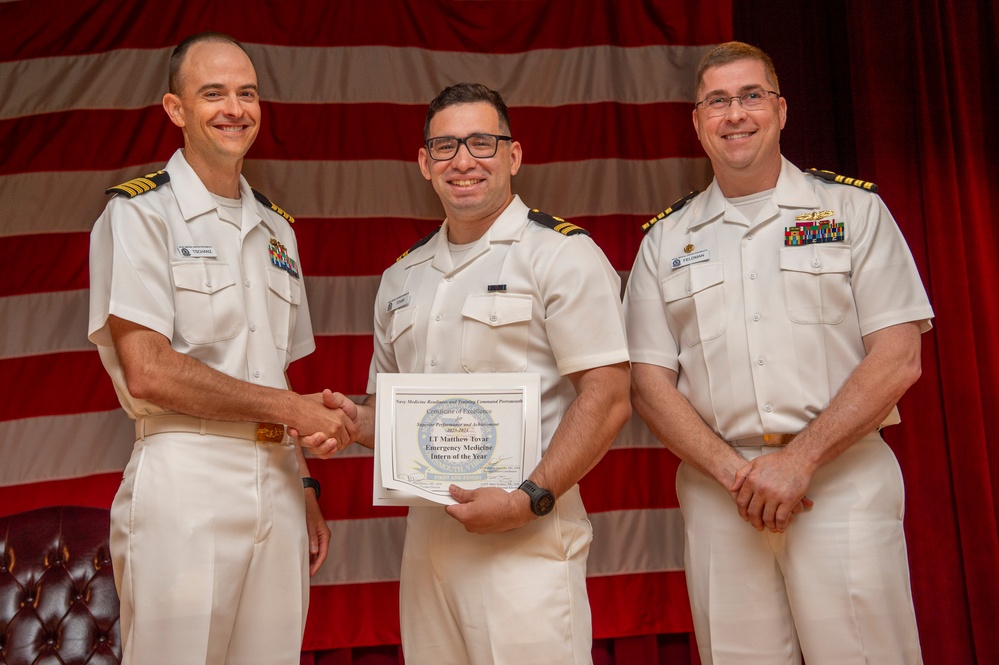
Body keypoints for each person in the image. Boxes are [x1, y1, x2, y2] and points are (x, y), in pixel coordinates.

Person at [624, 41, 933, 664]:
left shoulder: (852, 210)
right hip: (721, 495)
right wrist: (737, 474)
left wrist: (799, 461)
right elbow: (647, 383)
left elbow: (899, 355)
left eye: (750, 96)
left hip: (841, 482)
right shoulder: (665, 241)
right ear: (696, 121)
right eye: (717, 100)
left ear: (782, 109)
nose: (734, 114)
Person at [307, 82, 631, 663]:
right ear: (424, 164)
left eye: (482, 143)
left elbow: (607, 398)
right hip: (428, 538)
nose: (464, 161)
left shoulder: (560, 254)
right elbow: (390, 415)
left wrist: (528, 499)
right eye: (446, 146)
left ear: (514, 155)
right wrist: (351, 421)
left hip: (527, 532)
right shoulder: (402, 277)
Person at [87, 32, 354, 664]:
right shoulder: (140, 214)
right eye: (213, 93)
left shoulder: (276, 228)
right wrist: (294, 412)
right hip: (187, 474)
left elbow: (273, 375)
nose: (234, 108)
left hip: (278, 483)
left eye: (247, 93)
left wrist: (306, 484)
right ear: (175, 109)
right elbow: (148, 372)